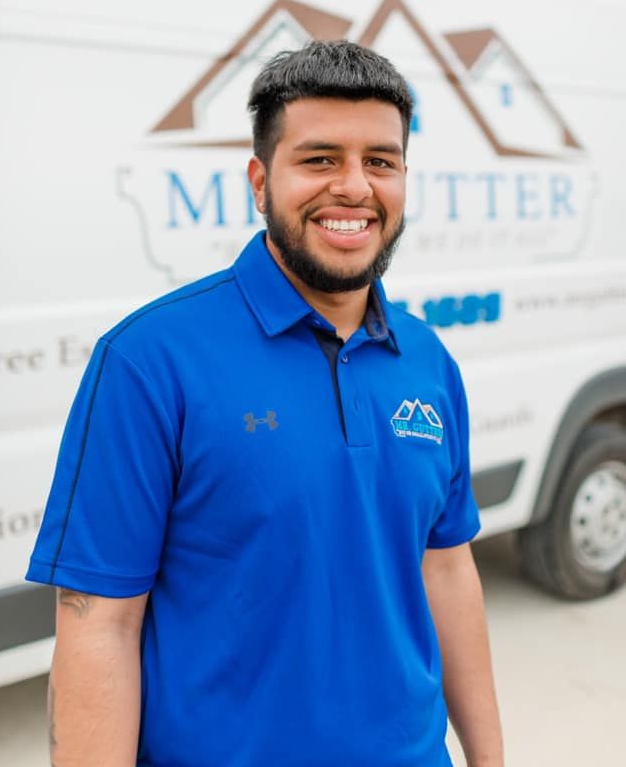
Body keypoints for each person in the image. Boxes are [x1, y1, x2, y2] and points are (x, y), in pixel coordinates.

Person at [27, 40, 503, 767]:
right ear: (259, 179)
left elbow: (446, 568)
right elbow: (100, 626)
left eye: (380, 161)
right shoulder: (150, 361)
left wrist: (489, 758)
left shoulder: (428, 360)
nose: (353, 186)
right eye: (319, 159)